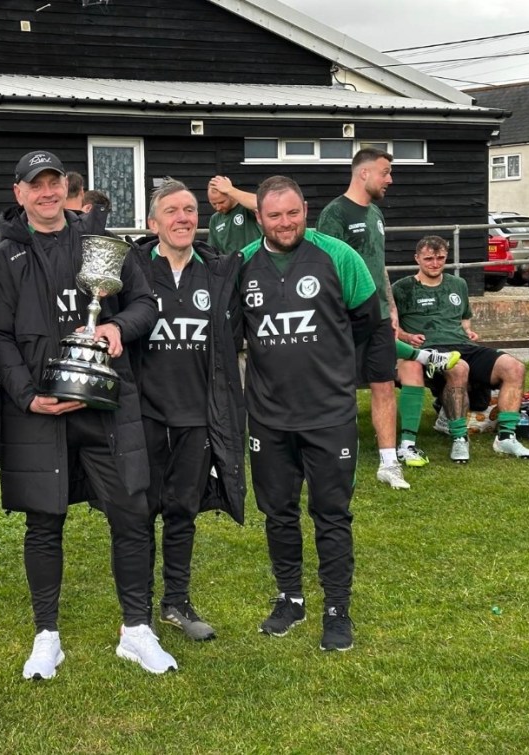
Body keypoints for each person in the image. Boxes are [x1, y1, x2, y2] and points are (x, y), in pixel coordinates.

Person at [0, 149, 177, 679]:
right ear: (19, 193)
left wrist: (117, 327)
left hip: (106, 405)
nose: (47, 193)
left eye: (55, 183)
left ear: (66, 189)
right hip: (39, 411)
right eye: (36, 185)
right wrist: (27, 395)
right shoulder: (2, 256)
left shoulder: (102, 244)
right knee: (43, 522)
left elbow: (145, 304)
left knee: (131, 514)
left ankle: (136, 629)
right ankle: (46, 635)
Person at [241, 175, 381, 652]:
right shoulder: (242, 264)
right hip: (268, 417)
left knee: (331, 514)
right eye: (274, 215)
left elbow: (367, 320)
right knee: (278, 513)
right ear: (258, 217)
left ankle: (337, 610)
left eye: (293, 212)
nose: (285, 223)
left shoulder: (338, 256)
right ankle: (290, 599)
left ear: (305, 209)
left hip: (328, 414)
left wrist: (331, 366)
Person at [130, 178, 246, 641]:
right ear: (152, 223)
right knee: (139, 513)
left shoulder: (218, 272)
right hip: (143, 415)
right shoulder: (133, 270)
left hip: (198, 415)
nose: (183, 218)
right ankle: (137, 610)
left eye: (190, 210)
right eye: (172, 211)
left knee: (182, 511)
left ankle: (176, 602)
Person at [316, 148, 458, 489]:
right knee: (340, 388)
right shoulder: (334, 213)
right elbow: (324, 269)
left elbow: (378, 265)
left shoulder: (376, 212)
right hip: (343, 318)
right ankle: (335, 455)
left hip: (378, 316)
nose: (390, 179)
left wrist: (391, 307)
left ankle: (389, 462)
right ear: (364, 173)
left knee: (383, 384)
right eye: (385, 172)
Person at [394, 235, 529, 463]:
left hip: (464, 345)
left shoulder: (458, 284)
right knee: (458, 368)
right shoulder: (402, 288)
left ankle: (506, 437)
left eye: (440, 258)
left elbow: (464, 319)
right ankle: (460, 437)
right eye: (429, 259)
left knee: (514, 367)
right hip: (431, 350)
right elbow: (392, 326)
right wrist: (407, 336)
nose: (435, 264)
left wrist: (469, 331)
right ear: (417, 258)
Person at [207, 175, 261, 254]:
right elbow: (213, 250)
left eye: (222, 202)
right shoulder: (215, 219)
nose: (218, 207)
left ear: (231, 196)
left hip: (256, 259)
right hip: (231, 261)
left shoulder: (246, 207)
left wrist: (230, 190)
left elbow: (260, 203)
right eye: (214, 204)